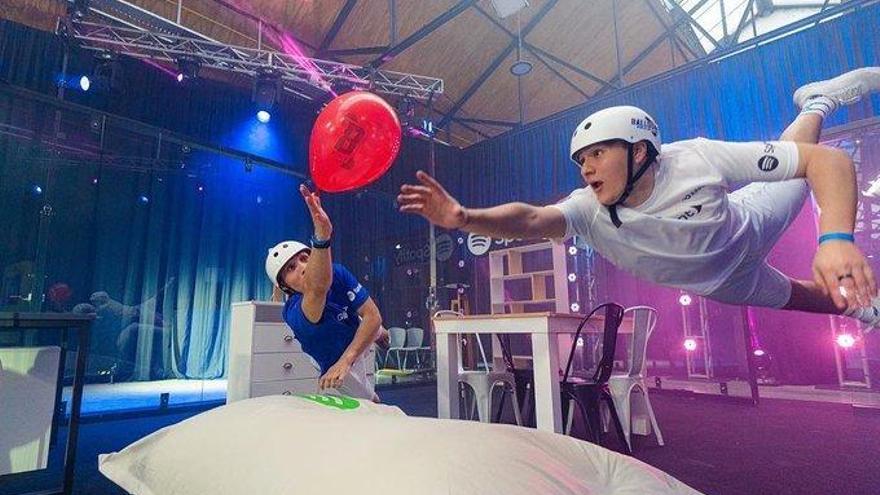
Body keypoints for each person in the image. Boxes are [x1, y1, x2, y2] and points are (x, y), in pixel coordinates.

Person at [398, 67, 880, 330]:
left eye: (598, 153)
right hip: (724, 283)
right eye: (580, 159)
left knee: (799, 169)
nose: (585, 167)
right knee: (809, 301)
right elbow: (530, 219)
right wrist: (463, 217)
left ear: (641, 151)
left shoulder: (696, 157)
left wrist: (835, 238)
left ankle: (818, 101)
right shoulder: (588, 208)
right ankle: (866, 310)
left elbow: (828, 164)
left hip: (750, 223)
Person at [266, 184, 387, 401]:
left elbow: (373, 315)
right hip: (332, 356)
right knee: (372, 403)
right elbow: (317, 289)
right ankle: (375, 335)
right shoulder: (293, 311)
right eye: (291, 268)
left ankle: (379, 334)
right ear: (285, 287)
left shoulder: (337, 272)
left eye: (304, 258)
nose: (302, 266)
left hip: (353, 332)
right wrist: (322, 237)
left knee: (372, 325)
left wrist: (350, 356)